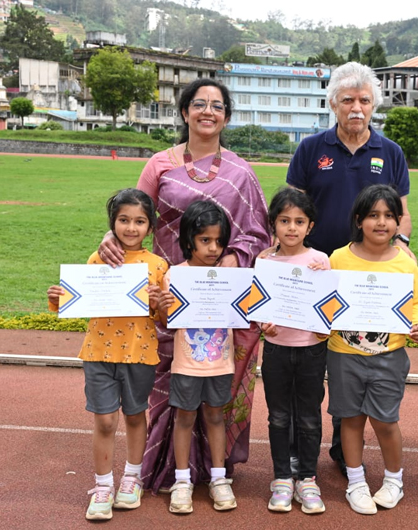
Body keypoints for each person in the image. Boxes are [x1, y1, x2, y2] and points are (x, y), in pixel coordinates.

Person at [98, 78, 270, 493]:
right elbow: (133, 215)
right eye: (199, 104)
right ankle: (166, 470)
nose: (208, 111)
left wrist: (232, 258)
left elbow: (258, 232)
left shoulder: (242, 172)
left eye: (217, 105)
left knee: (215, 384)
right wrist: (108, 237)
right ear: (184, 112)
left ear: (226, 116)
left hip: (219, 298)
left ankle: (214, 470)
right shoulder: (159, 164)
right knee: (168, 382)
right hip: (167, 294)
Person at [286, 61, 414, 475]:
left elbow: (402, 214)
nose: (356, 108)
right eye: (347, 100)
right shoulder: (311, 149)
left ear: (374, 105)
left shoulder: (390, 152)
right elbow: (292, 207)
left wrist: (402, 247)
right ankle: (300, 447)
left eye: (364, 100)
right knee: (308, 364)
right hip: (316, 273)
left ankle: (345, 450)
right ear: (333, 105)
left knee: (352, 362)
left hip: (367, 280)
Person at [47, 189, 167, 521]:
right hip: (98, 351)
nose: (131, 228)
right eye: (124, 220)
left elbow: (165, 319)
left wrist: (159, 304)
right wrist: (58, 299)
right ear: (112, 223)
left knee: (135, 415)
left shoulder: (158, 265)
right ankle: (103, 486)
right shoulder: (97, 260)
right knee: (104, 420)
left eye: (140, 221)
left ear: (150, 226)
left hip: (139, 353)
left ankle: (132, 478)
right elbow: (80, 302)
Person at [327, 184, 418, 515]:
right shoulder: (338, 258)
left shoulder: (405, 262)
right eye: (372, 215)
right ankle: (356, 483)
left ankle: (394, 480)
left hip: (389, 355)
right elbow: (327, 302)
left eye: (389, 216)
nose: (381, 222)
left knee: (385, 421)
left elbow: (415, 304)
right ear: (359, 220)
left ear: (398, 222)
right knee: (351, 420)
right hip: (344, 353)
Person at [158, 201, 237, 514]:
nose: (213, 248)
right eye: (205, 240)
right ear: (189, 239)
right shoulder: (176, 275)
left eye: (219, 241)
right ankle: (182, 481)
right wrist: (162, 306)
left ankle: (219, 478)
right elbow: (168, 322)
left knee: (216, 417)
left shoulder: (231, 276)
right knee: (185, 418)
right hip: (187, 364)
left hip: (221, 363)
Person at [256, 188, 330, 514]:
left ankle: (308, 478)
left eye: (299, 221)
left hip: (312, 349)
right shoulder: (264, 261)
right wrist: (264, 324)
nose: (291, 228)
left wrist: (323, 324)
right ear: (273, 223)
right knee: (278, 416)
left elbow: (328, 306)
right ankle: (283, 477)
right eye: (284, 220)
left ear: (310, 226)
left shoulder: (320, 260)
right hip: (276, 349)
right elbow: (258, 304)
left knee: (310, 416)